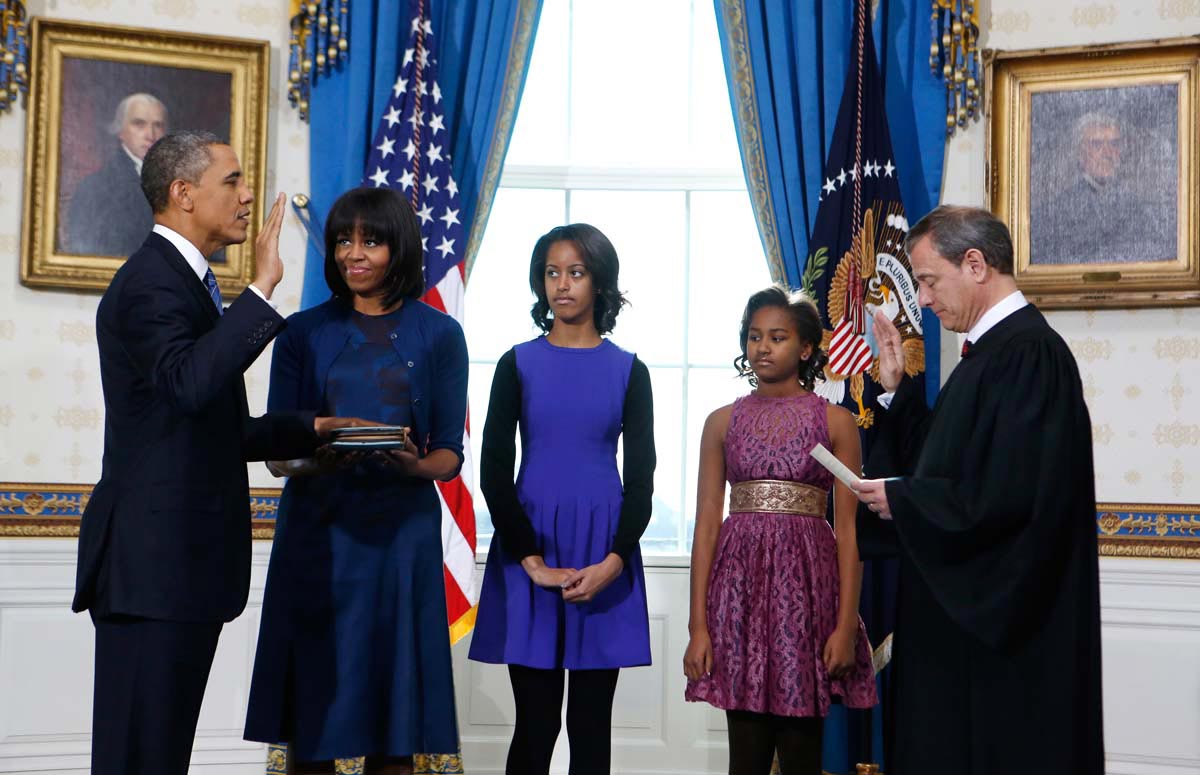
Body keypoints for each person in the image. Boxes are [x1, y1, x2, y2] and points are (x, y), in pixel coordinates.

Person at [72, 130, 362, 775]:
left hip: (177, 571)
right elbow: (189, 385)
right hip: (152, 570)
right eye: (232, 180)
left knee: (159, 755)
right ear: (182, 193)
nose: (248, 194)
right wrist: (261, 290)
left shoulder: (186, 282)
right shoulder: (151, 283)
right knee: (140, 757)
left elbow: (210, 429)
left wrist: (313, 427)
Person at [854, 205, 1104, 775]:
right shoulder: (991, 353)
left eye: (928, 280)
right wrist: (897, 391)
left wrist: (904, 500)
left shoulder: (1028, 354)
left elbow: (1009, 495)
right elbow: (947, 463)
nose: (922, 299)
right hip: (964, 637)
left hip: (1002, 645)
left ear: (975, 264)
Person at [243, 187, 468, 774]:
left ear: (400, 247)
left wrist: (411, 464)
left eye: (371, 241)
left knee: (395, 727)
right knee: (311, 720)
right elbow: (275, 451)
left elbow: (449, 454)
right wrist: (321, 455)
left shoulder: (441, 334)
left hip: (402, 540)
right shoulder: (301, 332)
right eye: (344, 240)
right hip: (318, 536)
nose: (353, 253)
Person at [468, 223, 655, 775]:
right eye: (552, 273)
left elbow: (641, 481)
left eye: (576, 272)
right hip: (530, 549)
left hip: (604, 552)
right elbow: (494, 473)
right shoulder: (516, 363)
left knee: (591, 729)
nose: (562, 284)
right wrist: (532, 562)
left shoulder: (630, 370)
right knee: (536, 724)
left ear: (600, 283)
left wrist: (613, 563)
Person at [683, 286, 877, 775]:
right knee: (745, 756)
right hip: (739, 597)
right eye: (754, 337)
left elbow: (849, 531)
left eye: (777, 337)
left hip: (807, 600)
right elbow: (706, 527)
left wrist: (845, 627)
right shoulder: (721, 423)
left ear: (806, 348)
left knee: (801, 755)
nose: (762, 348)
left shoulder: (836, 422)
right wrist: (698, 626)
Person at [1029, 111, 1172, 265]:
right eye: (1096, 144)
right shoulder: (1054, 213)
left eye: (1114, 144)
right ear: (1080, 153)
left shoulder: (1138, 209)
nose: (1108, 153)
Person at [66, 93, 168, 256]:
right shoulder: (95, 187)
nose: (150, 135)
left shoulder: (179, 182)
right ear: (120, 131)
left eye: (158, 125)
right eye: (139, 124)